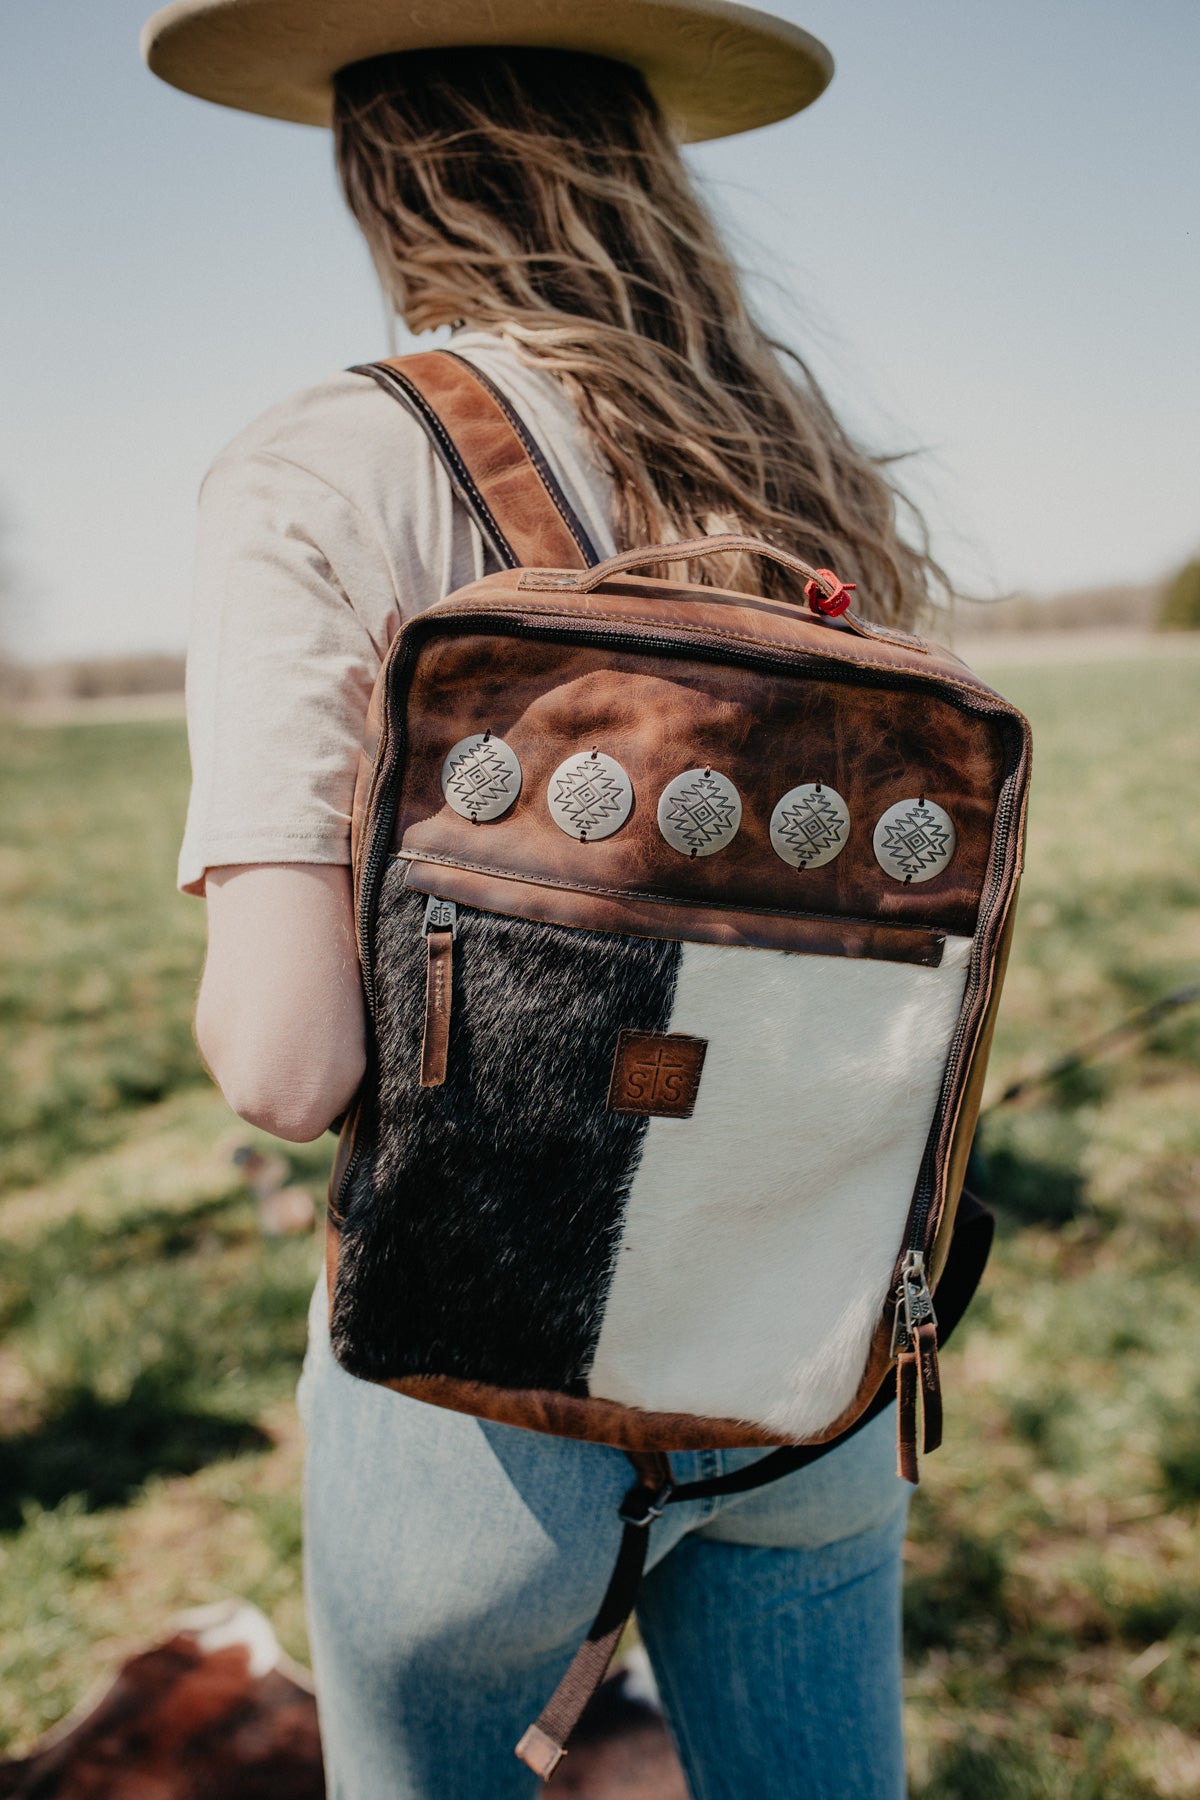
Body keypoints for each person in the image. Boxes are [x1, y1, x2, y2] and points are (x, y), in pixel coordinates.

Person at [150, 5, 951, 1794]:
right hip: (817, 1348)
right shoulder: (790, 464)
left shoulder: (322, 463)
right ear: (639, 168)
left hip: (483, 1407)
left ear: (385, 174)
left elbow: (283, 1064)